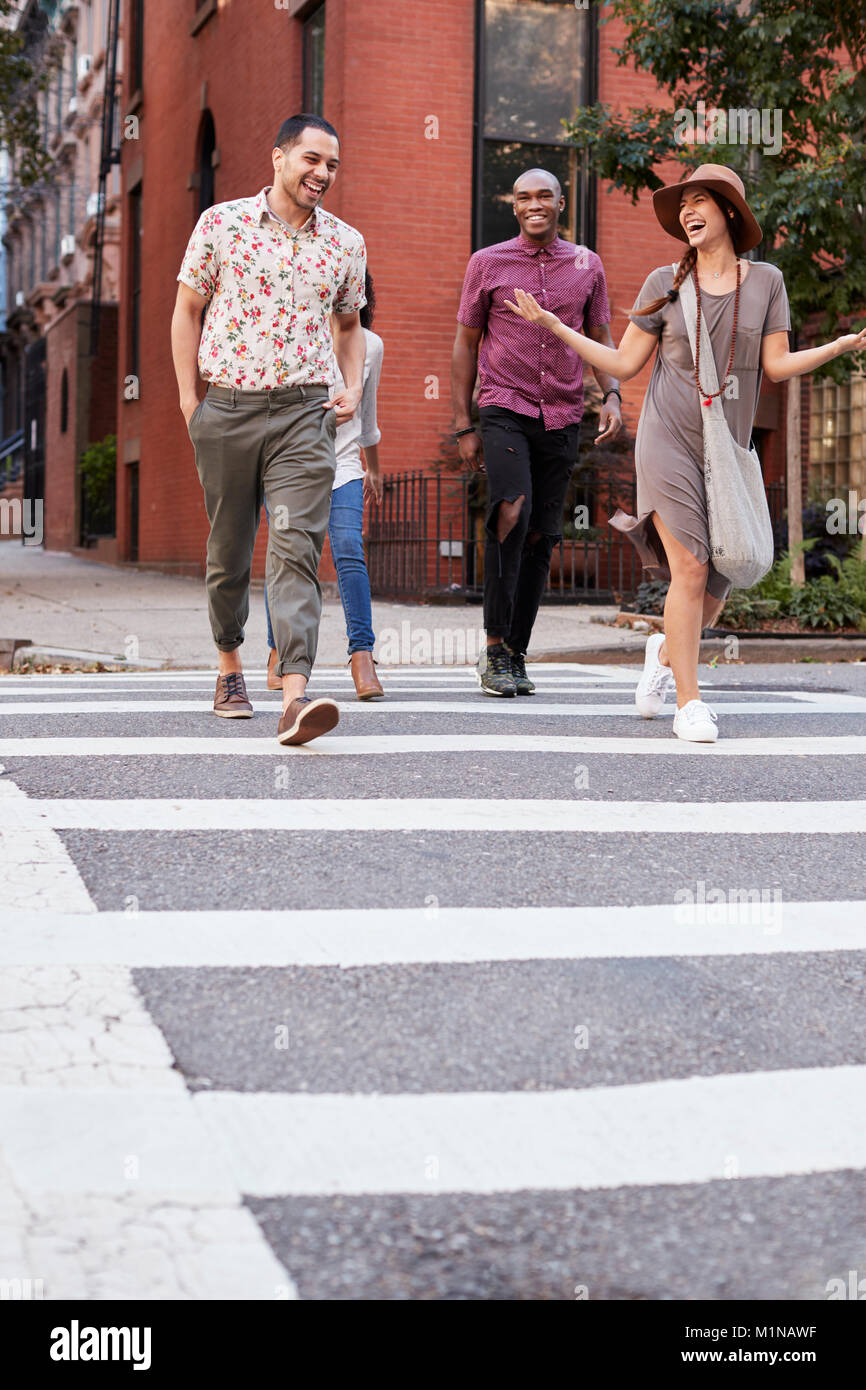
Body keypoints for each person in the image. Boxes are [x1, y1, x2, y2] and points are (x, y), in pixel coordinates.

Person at [506, 163, 866, 742]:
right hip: (668, 437)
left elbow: (775, 367)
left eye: (700, 201)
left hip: (728, 447)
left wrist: (840, 345)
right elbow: (623, 364)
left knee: (720, 582)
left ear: (729, 211)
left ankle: (664, 653)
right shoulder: (664, 282)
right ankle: (690, 703)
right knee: (692, 568)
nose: (688, 212)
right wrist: (552, 324)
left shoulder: (767, 282)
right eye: (683, 205)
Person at [171, 113, 367, 746]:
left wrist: (353, 386)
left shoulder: (345, 242)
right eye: (312, 159)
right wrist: (187, 402)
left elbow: (348, 327)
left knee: (296, 549)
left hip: (303, 416)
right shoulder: (220, 224)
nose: (322, 174)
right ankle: (230, 667)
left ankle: (295, 693)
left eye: (332, 165)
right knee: (229, 550)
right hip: (226, 408)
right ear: (279, 156)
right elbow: (186, 312)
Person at [452, 168, 622, 697]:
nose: (534, 204)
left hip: (564, 414)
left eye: (543, 195)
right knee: (510, 508)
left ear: (561, 202)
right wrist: (463, 423)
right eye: (523, 195)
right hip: (504, 406)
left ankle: (517, 653)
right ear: (514, 205)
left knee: (542, 534)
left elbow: (600, 337)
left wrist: (612, 394)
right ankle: (494, 647)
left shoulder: (586, 265)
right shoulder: (487, 263)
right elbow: (465, 345)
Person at [264, 270, 384, 700]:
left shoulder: (370, 345)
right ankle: (278, 651)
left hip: (345, 465)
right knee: (288, 556)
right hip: (289, 465)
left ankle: (362, 656)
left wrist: (374, 467)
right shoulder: (290, 336)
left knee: (349, 549)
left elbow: (366, 413)